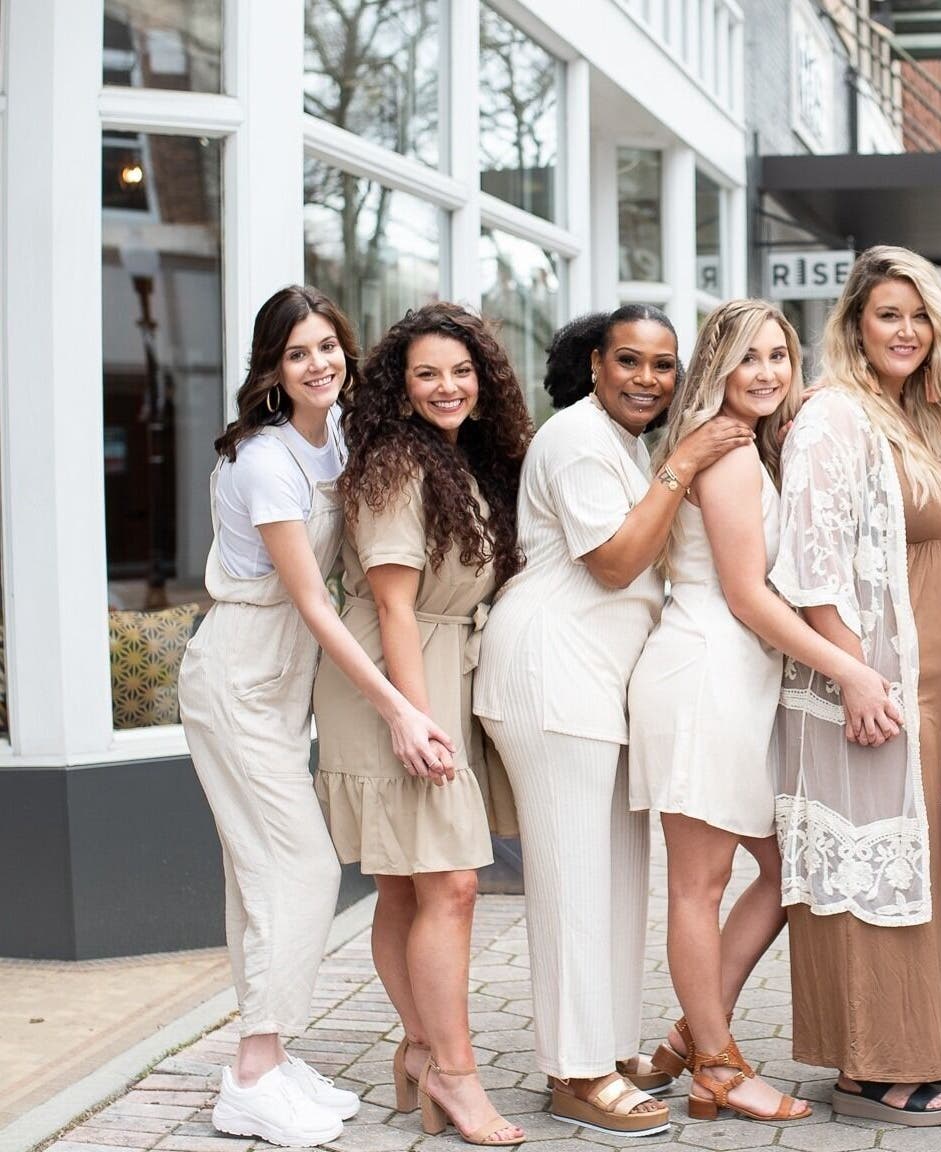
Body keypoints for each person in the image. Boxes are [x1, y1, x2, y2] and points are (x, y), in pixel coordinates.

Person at [178, 286, 452, 1147]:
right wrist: (401, 710)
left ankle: (267, 1057)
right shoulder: (265, 460)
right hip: (241, 673)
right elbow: (314, 604)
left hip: (277, 680)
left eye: (328, 346)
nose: (318, 364)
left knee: (260, 871)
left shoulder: (330, 432)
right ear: (272, 367)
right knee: (296, 871)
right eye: (298, 353)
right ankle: (252, 1076)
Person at [472, 306, 751, 1138]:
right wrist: (688, 462)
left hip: (604, 685)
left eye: (663, 366)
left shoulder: (623, 444)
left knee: (620, 874)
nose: (646, 379)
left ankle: (609, 1045)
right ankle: (573, 1071)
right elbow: (616, 562)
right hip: (552, 673)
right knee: (570, 879)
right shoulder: (575, 438)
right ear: (593, 365)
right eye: (628, 361)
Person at [629, 298, 903, 1123]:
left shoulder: (755, 448)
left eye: (779, 356)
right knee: (698, 885)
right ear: (717, 365)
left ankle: (689, 1034)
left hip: (740, 682)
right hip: (705, 672)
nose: (765, 372)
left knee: (784, 872)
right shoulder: (728, 457)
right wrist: (851, 672)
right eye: (747, 357)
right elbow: (748, 596)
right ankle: (714, 1066)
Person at [313, 303, 532, 1146]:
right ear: (400, 393)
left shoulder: (457, 461)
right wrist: (411, 716)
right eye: (427, 374)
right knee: (450, 884)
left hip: (436, 675)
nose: (448, 387)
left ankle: (419, 1050)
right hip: (397, 684)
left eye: (461, 371)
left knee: (412, 884)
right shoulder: (398, 468)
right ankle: (455, 1072)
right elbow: (395, 609)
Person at [770, 245, 941, 1127]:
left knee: (919, 869)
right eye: (888, 314)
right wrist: (853, 676)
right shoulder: (834, 418)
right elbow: (810, 565)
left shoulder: (915, 416)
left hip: (933, 683)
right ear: (855, 323)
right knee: (871, 866)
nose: (905, 330)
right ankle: (871, 1066)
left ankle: (916, 1045)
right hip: (875, 682)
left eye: (920, 314)